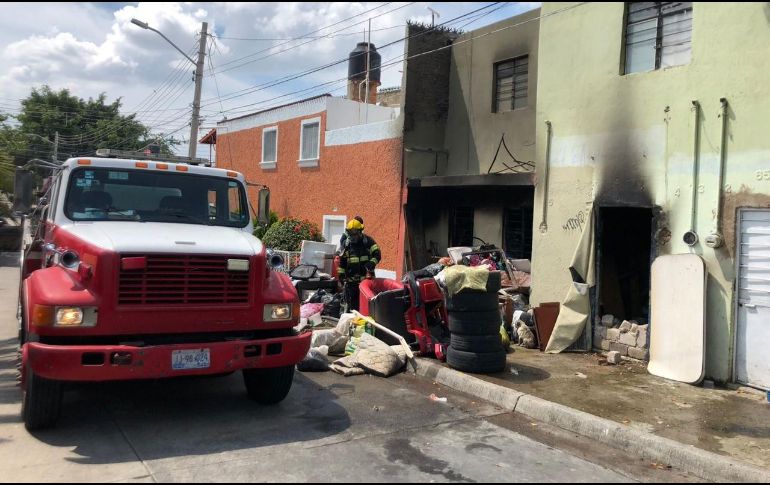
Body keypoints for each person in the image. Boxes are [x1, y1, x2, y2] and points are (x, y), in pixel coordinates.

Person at [337, 218, 380, 312]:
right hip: (351, 284)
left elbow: (377, 254)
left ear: (360, 232)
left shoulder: (368, 241)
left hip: (367, 282)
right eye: (350, 234)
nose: (353, 237)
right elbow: (342, 261)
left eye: (355, 234)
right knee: (353, 308)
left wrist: (372, 262)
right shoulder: (346, 244)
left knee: (368, 307)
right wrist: (340, 275)